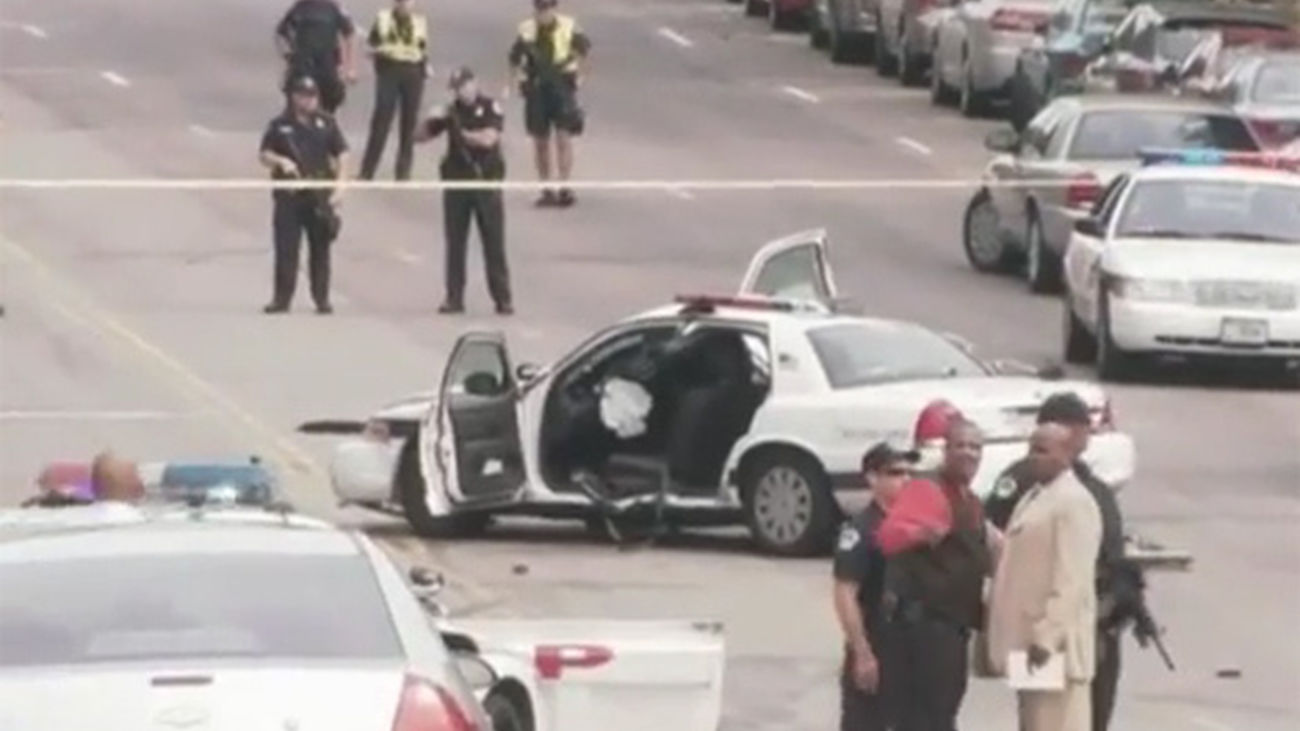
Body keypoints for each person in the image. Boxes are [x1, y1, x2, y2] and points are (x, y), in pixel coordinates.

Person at [986, 392, 1132, 731]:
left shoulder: (1076, 499)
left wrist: (1046, 640)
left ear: (1066, 452)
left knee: (1060, 721)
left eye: (1043, 451)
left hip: (1054, 646)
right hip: (1033, 643)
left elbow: (1071, 580)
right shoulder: (1034, 492)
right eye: (1032, 450)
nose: (1034, 458)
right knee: (1035, 721)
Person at [878, 418, 996, 731]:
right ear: (946, 450)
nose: (968, 453)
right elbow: (889, 536)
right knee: (925, 720)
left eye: (975, 447)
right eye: (961, 445)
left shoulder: (970, 500)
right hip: (924, 631)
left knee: (942, 715)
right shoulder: (928, 489)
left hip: (951, 630)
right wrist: (920, 533)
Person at [832, 443, 918, 731]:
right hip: (877, 642)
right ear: (872, 478)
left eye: (909, 473)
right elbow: (845, 593)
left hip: (912, 647)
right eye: (895, 473)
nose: (905, 480)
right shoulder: (861, 530)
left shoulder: (914, 526)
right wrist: (862, 651)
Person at [416, 67, 513, 315]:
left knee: (493, 243)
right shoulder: (452, 112)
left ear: (474, 83)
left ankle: (502, 297)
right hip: (457, 182)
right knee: (455, 243)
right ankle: (454, 297)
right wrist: (430, 119)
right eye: (457, 88)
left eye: (464, 86)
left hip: (485, 181)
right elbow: (418, 138)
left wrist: (461, 132)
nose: (461, 92)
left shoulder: (489, 107)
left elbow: (489, 139)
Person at [258, 74, 349, 314]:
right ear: (293, 97)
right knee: (286, 249)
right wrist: (281, 161)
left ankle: (322, 298)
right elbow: (264, 154)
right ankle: (282, 299)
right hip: (289, 195)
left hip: (319, 194)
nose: (308, 101)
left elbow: (342, 154)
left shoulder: (326, 123)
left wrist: (340, 186)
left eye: (312, 96)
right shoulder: (280, 125)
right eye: (303, 96)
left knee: (320, 249)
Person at [508, 0, 591, 208]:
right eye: (539, 8)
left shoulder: (568, 26)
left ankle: (564, 186)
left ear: (554, 9)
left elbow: (584, 50)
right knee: (541, 141)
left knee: (564, 137)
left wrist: (580, 77)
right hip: (537, 88)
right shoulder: (527, 29)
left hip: (561, 85)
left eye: (546, 8)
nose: (543, 13)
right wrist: (515, 83)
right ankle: (546, 188)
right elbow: (514, 58)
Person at [358, 0, 429, 180]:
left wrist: (424, 68)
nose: (405, 5)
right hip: (389, 70)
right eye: (401, 2)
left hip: (413, 72)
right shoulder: (383, 19)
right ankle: (367, 171)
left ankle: (403, 172)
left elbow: (421, 49)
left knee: (409, 123)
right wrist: (377, 53)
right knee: (381, 120)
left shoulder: (419, 22)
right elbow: (371, 45)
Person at [275, 0, 358, 114]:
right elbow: (282, 32)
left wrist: (351, 68)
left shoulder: (333, 8)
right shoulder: (300, 7)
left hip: (327, 62)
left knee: (332, 95)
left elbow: (349, 34)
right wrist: (288, 53)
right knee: (296, 92)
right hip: (303, 61)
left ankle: (326, 120)